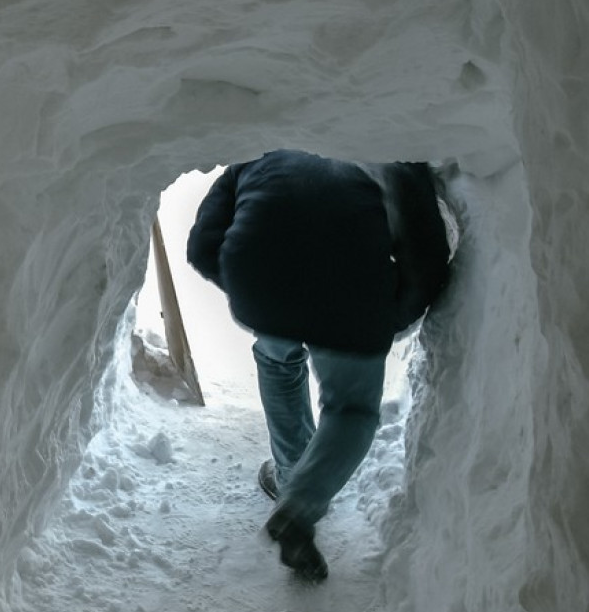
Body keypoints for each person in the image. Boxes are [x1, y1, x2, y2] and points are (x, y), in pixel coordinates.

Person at [185, 150, 452, 581]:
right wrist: (390, 317)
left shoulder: (260, 149)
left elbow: (201, 245)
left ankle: (289, 473)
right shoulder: (395, 154)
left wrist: (246, 286)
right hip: (353, 293)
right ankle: (298, 506)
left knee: (277, 357)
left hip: (265, 278)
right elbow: (427, 253)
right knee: (351, 409)